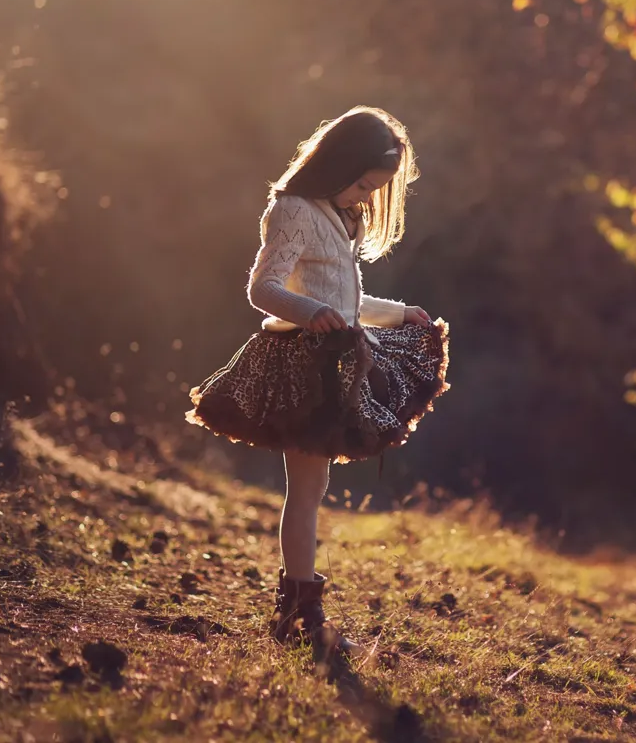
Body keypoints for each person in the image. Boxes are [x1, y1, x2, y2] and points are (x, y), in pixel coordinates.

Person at [186, 106, 449, 660]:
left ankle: (297, 608)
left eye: (373, 189)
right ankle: (299, 612)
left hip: (337, 359)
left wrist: (401, 314)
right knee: (305, 492)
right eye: (360, 184)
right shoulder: (293, 211)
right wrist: (309, 313)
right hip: (304, 365)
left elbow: (345, 303)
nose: (363, 197)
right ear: (336, 165)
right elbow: (264, 288)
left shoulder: (336, 214)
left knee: (312, 490)